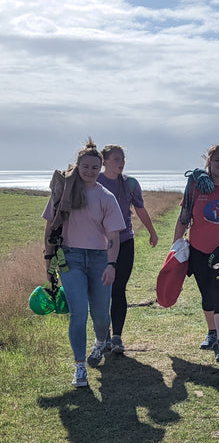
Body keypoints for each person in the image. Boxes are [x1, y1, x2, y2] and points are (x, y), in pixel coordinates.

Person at [42, 138, 126, 387]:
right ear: (77, 165)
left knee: (100, 315)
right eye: (85, 166)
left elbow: (113, 236)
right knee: (78, 313)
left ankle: (101, 342)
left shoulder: (106, 196)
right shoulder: (63, 191)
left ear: (101, 168)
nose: (89, 171)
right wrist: (48, 261)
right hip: (71, 258)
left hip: (100, 258)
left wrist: (111, 265)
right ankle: (80, 367)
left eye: (94, 167)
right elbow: (49, 227)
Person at [172, 144, 219, 362]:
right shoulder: (195, 186)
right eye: (217, 160)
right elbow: (185, 216)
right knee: (207, 294)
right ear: (209, 162)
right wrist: (176, 244)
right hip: (199, 249)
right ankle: (212, 333)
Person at [97, 144, 158, 354]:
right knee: (101, 292)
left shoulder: (130, 183)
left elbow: (140, 209)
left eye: (122, 159)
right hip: (98, 245)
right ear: (104, 161)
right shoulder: (95, 182)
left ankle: (117, 338)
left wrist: (152, 231)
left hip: (124, 242)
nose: (120, 163)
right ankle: (102, 336)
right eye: (115, 159)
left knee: (118, 288)